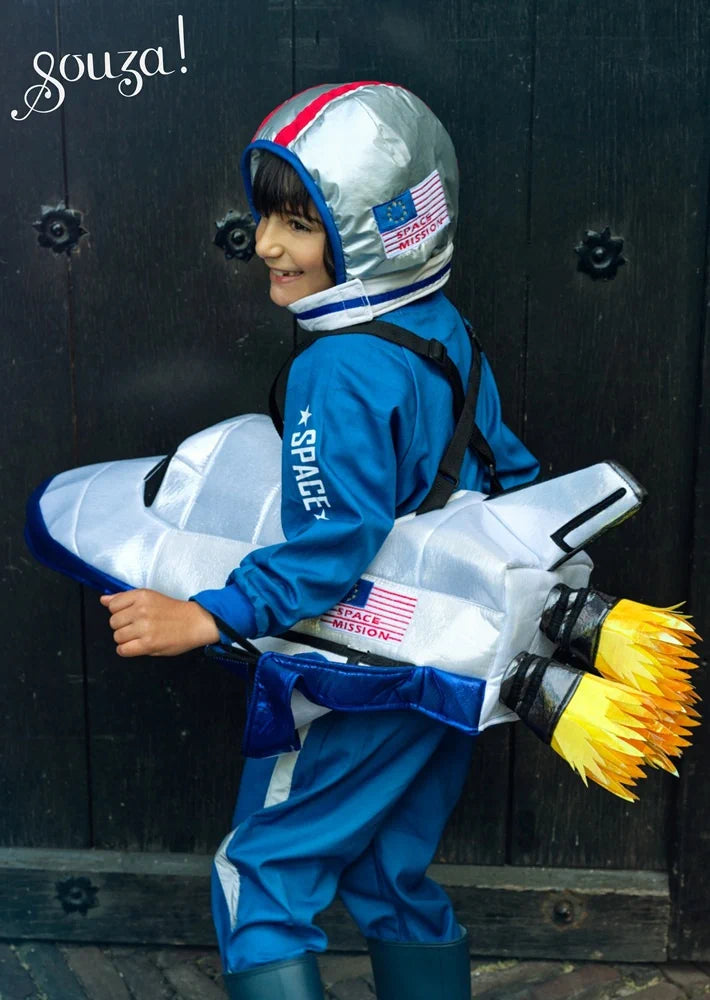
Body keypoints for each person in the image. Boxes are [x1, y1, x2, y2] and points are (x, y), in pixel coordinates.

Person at [101, 82, 538, 1000]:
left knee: (260, 877)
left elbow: (332, 545)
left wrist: (210, 615)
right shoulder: (442, 330)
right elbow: (511, 474)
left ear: (379, 234)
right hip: (449, 668)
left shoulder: (338, 367)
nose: (266, 244)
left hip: (357, 674)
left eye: (300, 225)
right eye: (267, 216)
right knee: (391, 875)